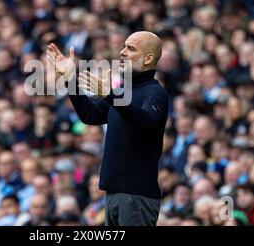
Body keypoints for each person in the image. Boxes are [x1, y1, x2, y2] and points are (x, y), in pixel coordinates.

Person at [47, 31, 168, 226]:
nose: (122, 52)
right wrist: (71, 78)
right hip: (114, 193)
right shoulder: (122, 92)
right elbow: (90, 114)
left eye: (131, 48)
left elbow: (148, 122)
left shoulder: (155, 92)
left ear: (148, 58)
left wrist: (111, 96)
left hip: (136, 195)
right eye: (124, 46)